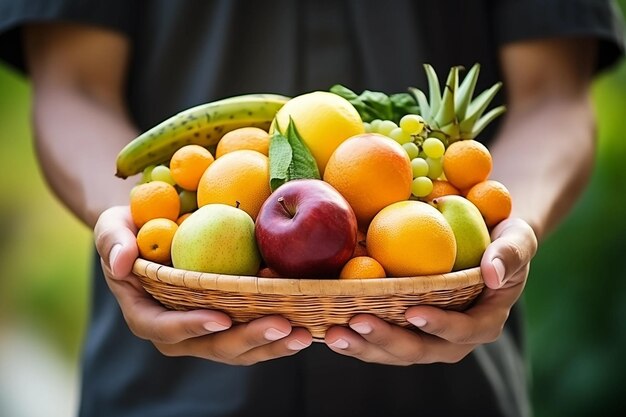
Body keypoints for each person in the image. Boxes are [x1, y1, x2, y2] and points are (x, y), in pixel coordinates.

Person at [0, 1, 623, 416]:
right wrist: (126, 227)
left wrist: (513, 231)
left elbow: (554, 95)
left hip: (449, 374)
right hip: (168, 378)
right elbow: (72, 83)